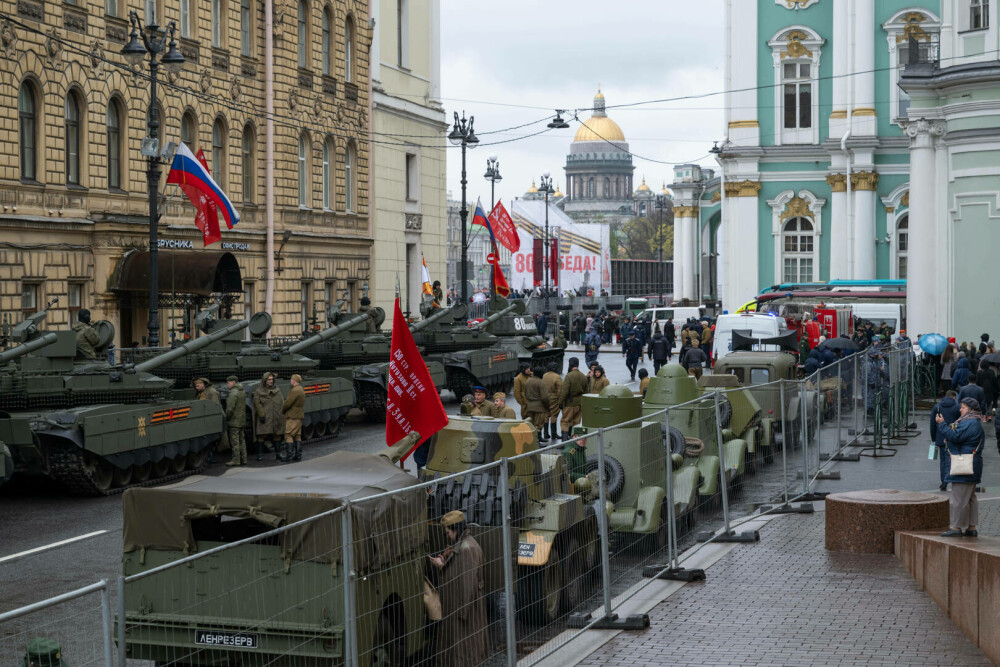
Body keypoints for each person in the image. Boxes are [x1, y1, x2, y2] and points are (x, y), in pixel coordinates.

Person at [429, 510, 489, 666]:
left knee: (465, 651)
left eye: (448, 531)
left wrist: (461, 613)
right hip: (465, 610)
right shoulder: (464, 544)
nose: (447, 535)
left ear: (455, 529)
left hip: (465, 613)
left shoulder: (466, 549)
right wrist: (443, 560)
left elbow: (467, 585)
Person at [938, 398, 985, 538]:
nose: (960, 410)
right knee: (970, 497)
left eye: (963, 407)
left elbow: (955, 436)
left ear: (970, 409)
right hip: (972, 464)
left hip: (964, 464)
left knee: (959, 497)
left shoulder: (969, 422)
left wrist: (942, 425)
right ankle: (971, 527)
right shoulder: (974, 421)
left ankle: (956, 527)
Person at [930, 390, 961, 491]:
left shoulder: (937, 407)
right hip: (953, 437)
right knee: (953, 459)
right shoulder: (957, 407)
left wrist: (934, 438)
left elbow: (932, 424)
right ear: (953, 397)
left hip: (940, 437)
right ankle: (954, 480)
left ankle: (944, 481)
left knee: (943, 461)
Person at [253, 371, 285, 461]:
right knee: (261, 436)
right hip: (264, 417)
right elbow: (257, 403)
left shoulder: (277, 390)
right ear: (265, 380)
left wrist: (281, 415)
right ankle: (260, 455)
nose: (271, 381)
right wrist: (261, 415)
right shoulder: (259, 392)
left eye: (272, 379)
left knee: (277, 435)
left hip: (276, 417)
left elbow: (281, 402)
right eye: (269, 379)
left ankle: (278, 454)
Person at [558, 357, 588, 438]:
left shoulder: (569, 376)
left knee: (565, 422)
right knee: (576, 423)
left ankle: (564, 442)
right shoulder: (583, 376)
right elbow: (586, 391)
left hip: (570, 403)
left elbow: (564, 391)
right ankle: (574, 442)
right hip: (579, 403)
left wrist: (560, 402)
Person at [281, 373, 305, 462]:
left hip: (292, 415)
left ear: (294, 381)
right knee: (297, 435)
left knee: (288, 435)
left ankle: (289, 456)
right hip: (299, 415)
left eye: (291, 379)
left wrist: (283, 410)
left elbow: (288, 403)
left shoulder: (294, 390)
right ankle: (298, 455)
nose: (290, 381)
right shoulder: (301, 389)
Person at [224, 376, 247, 466]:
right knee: (242, 440)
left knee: (235, 441)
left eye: (229, 383)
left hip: (234, 421)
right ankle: (244, 459)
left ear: (233, 382)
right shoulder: (242, 391)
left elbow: (230, 409)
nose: (228, 384)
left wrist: (226, 417)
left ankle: (236, 460)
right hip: (241, 420)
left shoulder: (233, 393)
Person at [524, 368, 549, 441]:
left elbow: (525, 393)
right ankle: (536, 442)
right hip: (539, 407)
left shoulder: (528, 381)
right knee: (538, 425)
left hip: (529, 406)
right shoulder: (541, 382)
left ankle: (535, 439)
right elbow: (544, 397)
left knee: (531, 424)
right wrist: (547, 406)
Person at [542, 363, 562, 442]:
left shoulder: (544, 375)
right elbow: (560, 390)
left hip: (544, 397)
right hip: (553, 398)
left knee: (546, 415)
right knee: (554, 415)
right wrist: (559, 399)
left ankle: (546, 434)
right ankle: (554, 434)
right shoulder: (557, 377)